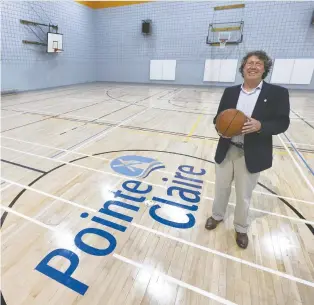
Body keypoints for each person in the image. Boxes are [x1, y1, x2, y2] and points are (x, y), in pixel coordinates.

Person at [205, 50, 290, 249]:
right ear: (243, 68)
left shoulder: (277, 93)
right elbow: (218, 118)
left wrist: (261, 126)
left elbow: (282, 123)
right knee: (221, 188)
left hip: (251, 152)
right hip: (227, 148)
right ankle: (217, 216)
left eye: (258, 63)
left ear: (264, 69)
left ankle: (241, 227)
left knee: (244, 193)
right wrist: (221, 127)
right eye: (249, 63)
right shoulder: (230, 92)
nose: (253, 66)